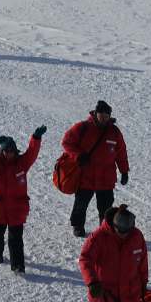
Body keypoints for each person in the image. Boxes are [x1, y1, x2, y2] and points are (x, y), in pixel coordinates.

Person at [0, 126, 47, 273]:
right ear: (2, 152)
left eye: (11, 151)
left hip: (16, 209)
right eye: (6, 151)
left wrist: (36, 138)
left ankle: (17, 265)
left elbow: (32, 153)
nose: (9, 154)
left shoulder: (22, 163)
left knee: (16, 239)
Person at [61, 100, 130, 238]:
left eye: (106, 115)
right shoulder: (83, 127)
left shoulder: (114, 132)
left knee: (106, 207)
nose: (104, 117)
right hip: (86, 177)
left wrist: (124, 171)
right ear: (96, 113)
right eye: (101, 114)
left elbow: (121, 153)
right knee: (81, 204)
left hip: (106, 178)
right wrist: (78, 155)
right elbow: (66, 142)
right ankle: (77, 226)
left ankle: (105, 228)